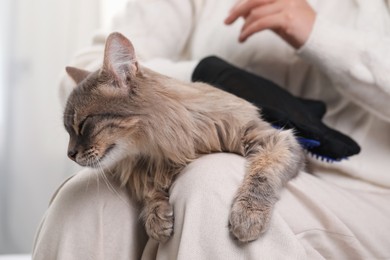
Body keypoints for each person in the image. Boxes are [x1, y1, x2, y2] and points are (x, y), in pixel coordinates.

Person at [33, 0, 390, 259]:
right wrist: (205, 77)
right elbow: (83, 74)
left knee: (211, 184)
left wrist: (319, 35)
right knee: (83, 201)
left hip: (360, 192)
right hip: (183, 164)